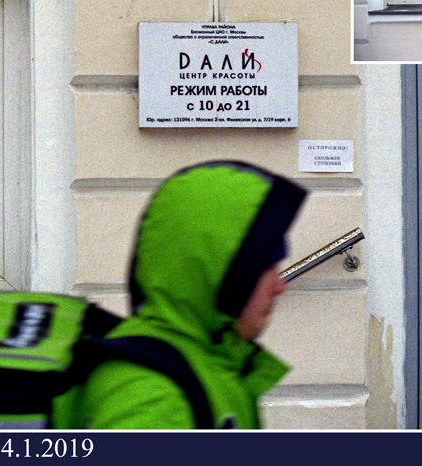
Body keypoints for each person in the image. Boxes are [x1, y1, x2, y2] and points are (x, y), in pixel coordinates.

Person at [54, 160, 307, 429]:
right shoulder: (154, 396)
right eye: (266, 267)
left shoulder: (209, 365)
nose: (279, 286)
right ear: (222, 275)